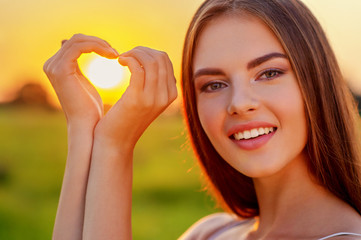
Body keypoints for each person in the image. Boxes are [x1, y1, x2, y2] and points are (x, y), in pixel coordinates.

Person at [43, 0, 361, 239]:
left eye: (269, 73)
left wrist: (117, 148)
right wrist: (86, 130)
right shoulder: (211, 233)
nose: (239, 104)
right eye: (214, 84)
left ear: (316, 81)